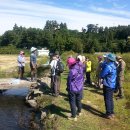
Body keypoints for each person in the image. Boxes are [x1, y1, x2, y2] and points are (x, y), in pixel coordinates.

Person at [100, 53, 117, 119]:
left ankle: (108, 113)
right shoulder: (114, 65)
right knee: (110, 99)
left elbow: (102, 75)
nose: (106, 58)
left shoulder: (108, 66)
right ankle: (112, 112)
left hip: (107, 84)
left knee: (107, 99)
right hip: (112, 84)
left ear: (109, 59)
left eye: (107, 58)